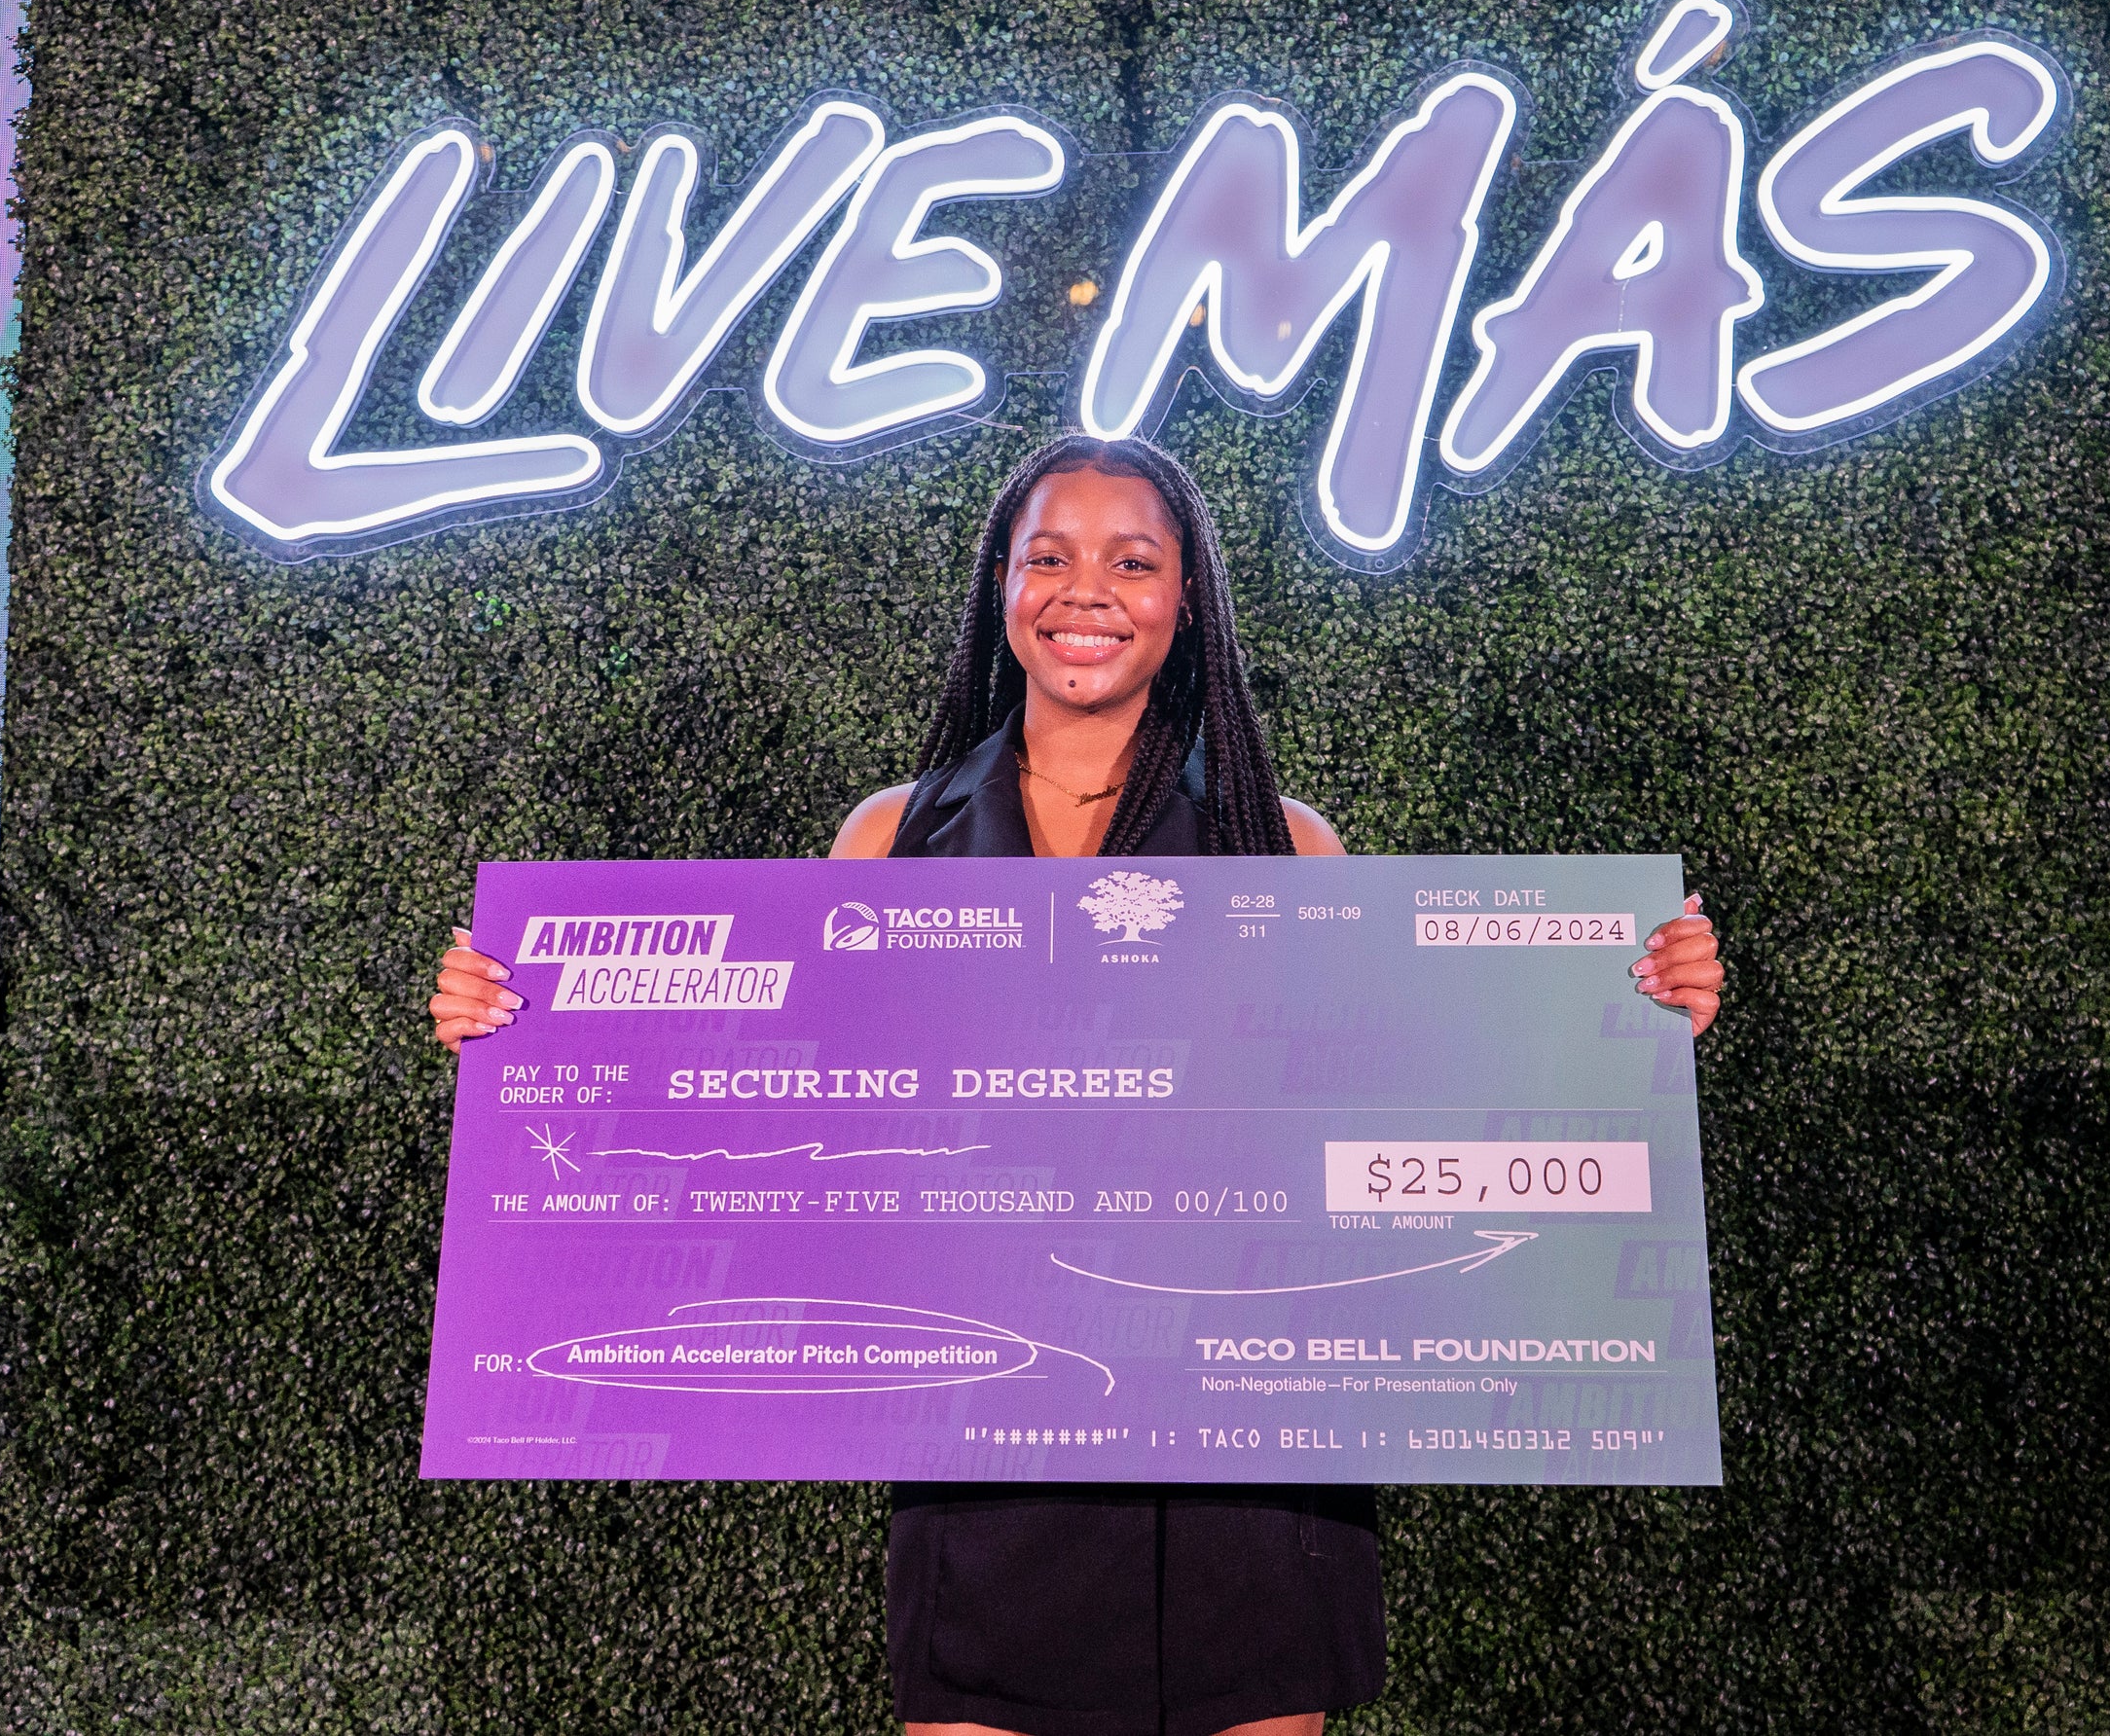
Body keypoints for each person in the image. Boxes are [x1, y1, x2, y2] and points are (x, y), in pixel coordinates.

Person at [433, 432, 1727, 1736]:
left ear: (1187, 598)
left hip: (1250, 1474)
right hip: (992, 1465)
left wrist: (1627, 1001)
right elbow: (774, 1102)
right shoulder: (889, 839)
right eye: (1048, 557)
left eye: (1132, 561)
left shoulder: (1286, 845)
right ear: (1002, 585)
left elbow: (1410, 1102)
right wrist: (525, 1024)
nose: (1086, 591)